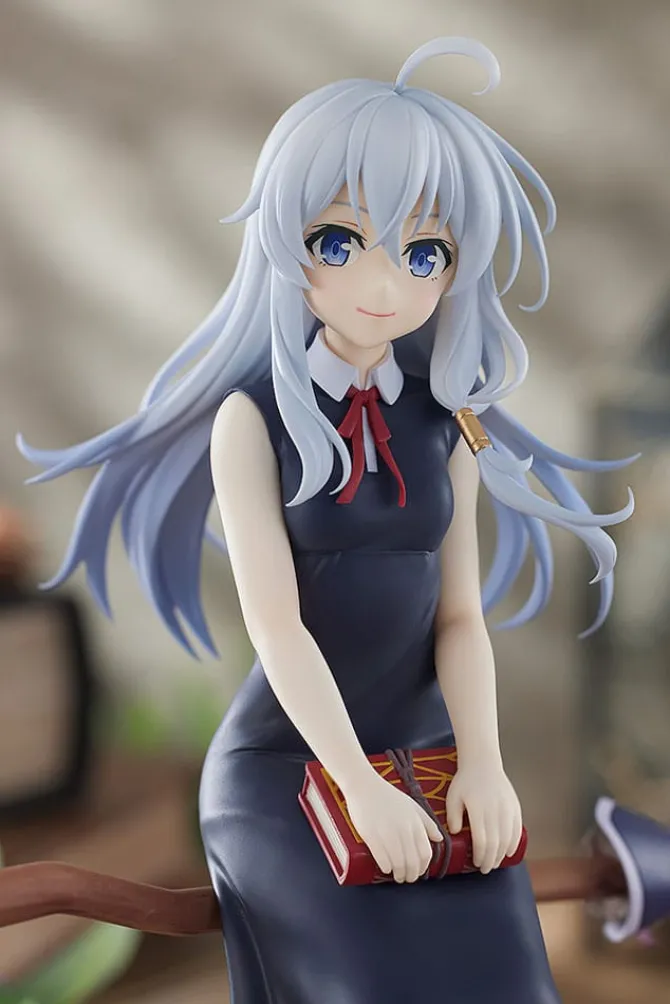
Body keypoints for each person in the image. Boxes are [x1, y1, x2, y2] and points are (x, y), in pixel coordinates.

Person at [19, 36, 636, 1003]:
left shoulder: (449, 419)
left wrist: (485, 764)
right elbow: (278, 630)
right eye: (341, 242)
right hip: (287, 765)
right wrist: (356, 784)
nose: (385, 285)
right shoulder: (250, 419)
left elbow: (460, 617)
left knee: (509, 978)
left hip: (431, 762)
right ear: (283, 239)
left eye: (425, 253)